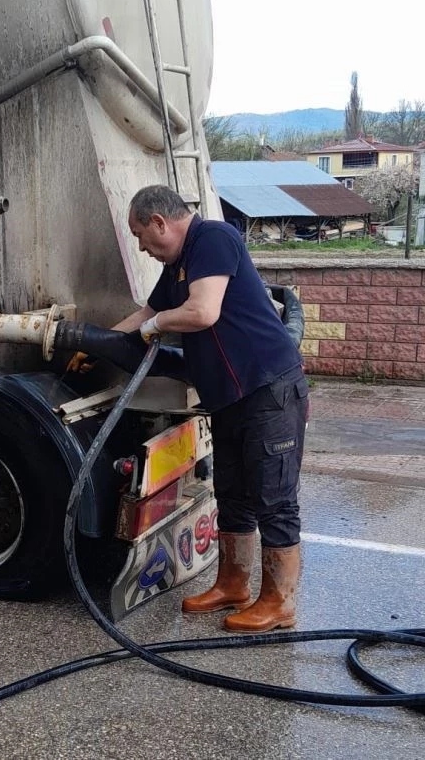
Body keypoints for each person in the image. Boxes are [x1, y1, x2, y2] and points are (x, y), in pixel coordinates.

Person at [105, 185, 307, 632]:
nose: (142, 246)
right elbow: (147, 313)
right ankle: (232, 584)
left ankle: (279, 602)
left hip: (268, 391)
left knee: (273, 498)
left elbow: (202, 312)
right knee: (232, 495)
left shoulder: (213, 238)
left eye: (141, 234)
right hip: (229, 398)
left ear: (160, 222)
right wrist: (97, 344)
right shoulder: (179, 262)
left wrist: (154, 327)